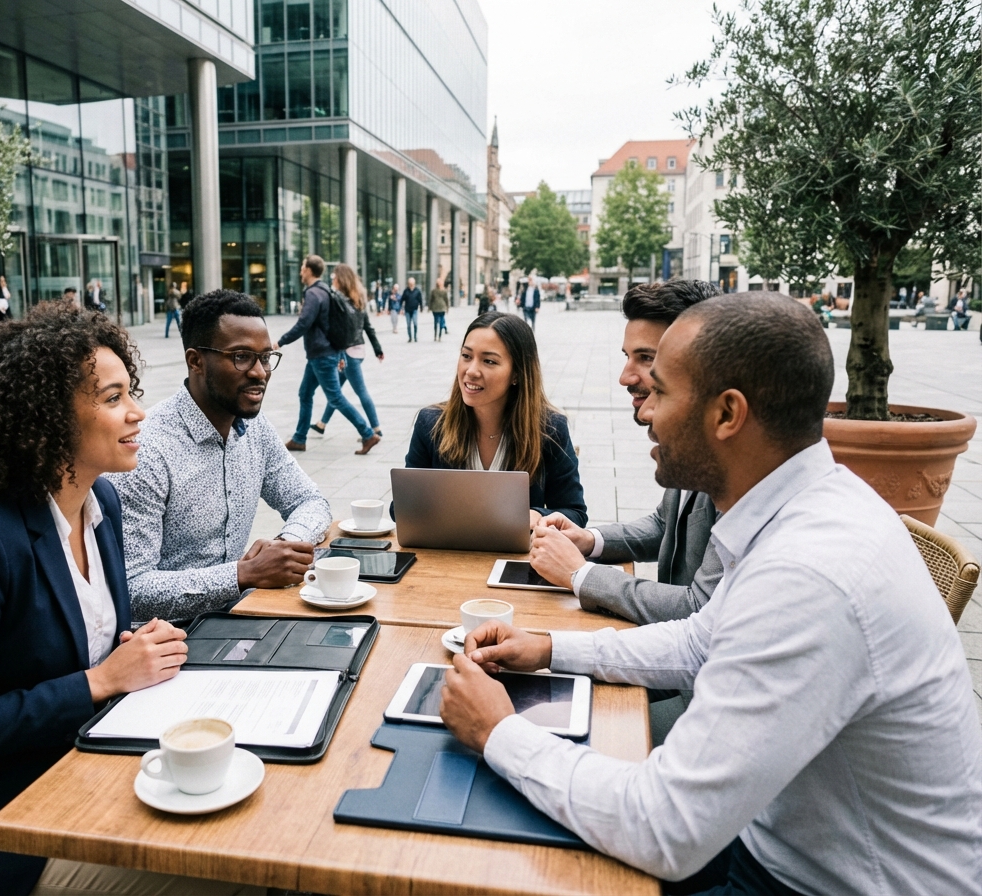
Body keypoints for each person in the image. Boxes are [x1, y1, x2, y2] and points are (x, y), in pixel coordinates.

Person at [439, 293, 982, 895]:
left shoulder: (810, 573)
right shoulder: (798, 509)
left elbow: (664, 828)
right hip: (775, 846)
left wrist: (497, 731)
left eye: (661, 389)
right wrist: (544, 647)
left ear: (727, 415)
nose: (642, 404)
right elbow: (700, 641)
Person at [0, 303, 260, 896]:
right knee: (229, 872)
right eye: (112, 398)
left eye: (132, 392)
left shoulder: (103, 508)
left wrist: (139, 655)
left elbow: (88, 650)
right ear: (47, 418)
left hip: (68, 779)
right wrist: (99, 681)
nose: (138, 413)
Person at [113, 290, 332, 624]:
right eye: (242, 357)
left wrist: (286, 546)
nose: (260, 372)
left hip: (237, 617)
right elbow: (130, 589)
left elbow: (311, 500)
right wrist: (241, 575)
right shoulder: (147, 451)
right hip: (164, 644)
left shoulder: (254, 430)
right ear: (196, 361)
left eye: (266, 357)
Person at [530, 281, 723, 625]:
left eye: (646, 358)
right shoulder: (692, 441)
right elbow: (666, 524)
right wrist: (589, 540)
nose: (624, 377)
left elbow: (701, 611)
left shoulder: (739, 469)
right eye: (627, 356)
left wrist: (580, 574)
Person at [403, 311, 587, 527]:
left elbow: (574, 513)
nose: (471, 371)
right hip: (447, 557)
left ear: (517, 373)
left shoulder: (549, 429)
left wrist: (537, 515)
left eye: (489, 361)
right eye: (466, 356)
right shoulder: (431, 424)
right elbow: (401, 508)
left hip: (517, 558)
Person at [274, 255, 382, 455]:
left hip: (321, 354)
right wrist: (340, 354)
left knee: (335, 397)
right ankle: (299, 438)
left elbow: (304, 323)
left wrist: (281, 341)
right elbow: (333, 326)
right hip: (323, 353)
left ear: (308, 270)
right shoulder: (327, 291)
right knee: (305, 393)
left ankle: (368, 434)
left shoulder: (315, 294)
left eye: (302, 267)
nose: (300, 271)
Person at [311, 263, 385, 439]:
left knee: (360, 391)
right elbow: (368, 327)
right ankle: (322, 424)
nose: (332, 280)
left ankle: (376, 429)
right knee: (335, 391)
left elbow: (343, 329)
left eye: (334, 277)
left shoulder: (341, 301)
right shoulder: (357, 299)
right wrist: (377, 349)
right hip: (358, 351)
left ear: (341, 279)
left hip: (348, 354)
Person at [401, 276, 423, 341]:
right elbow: (402, 300)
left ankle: (415, 336)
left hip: (414, 310)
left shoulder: (417, 291)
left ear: (414, 283)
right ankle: (410, 337)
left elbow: (420, 300)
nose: (411, 285)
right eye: (410, 284)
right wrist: (401, 309)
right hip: (407, 310)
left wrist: (421, 307)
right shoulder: (406, 291)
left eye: (412, 284)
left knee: (415, 323)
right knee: (408, 324)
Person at [428, 276, 450, 341]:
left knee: (437, 322)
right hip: (439, 308)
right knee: (439, 322)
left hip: (437, 308)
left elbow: (431, 300)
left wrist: (429, 307)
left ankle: (437, 335)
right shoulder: (440, 291)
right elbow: (446, 300)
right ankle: (438, 336)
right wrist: (447, 308)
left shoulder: (436, 291)